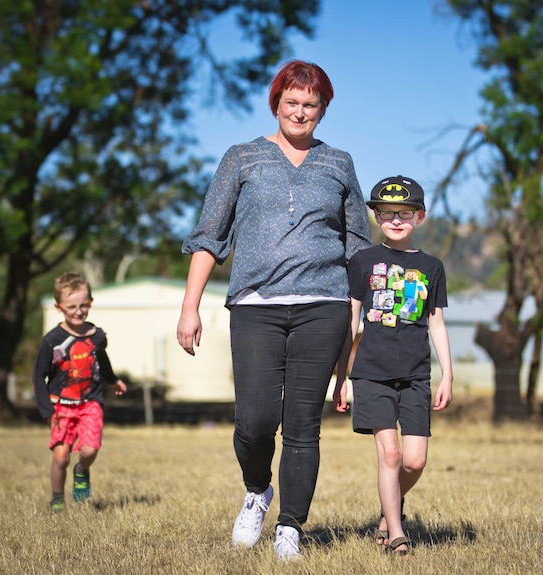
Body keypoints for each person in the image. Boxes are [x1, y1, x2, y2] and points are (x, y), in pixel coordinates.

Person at [176, 60, 371, 561]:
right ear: (276, 103)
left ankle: (291, 527)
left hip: (323, 305)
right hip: (255, 304)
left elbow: (357, 247)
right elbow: (208, 236)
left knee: (304, 424)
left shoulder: (339, 164)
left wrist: (355, 317)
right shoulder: (241, 158)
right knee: (256, 422)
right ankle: (257, 489)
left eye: (311, 104)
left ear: (322, 109)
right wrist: (189, 307)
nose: (300, 111)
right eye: (292, 101)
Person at [333, 175, 454, 558]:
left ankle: (389, 511)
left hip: (417, 375)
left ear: (419, 216)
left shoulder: (432, 267)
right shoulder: (363, 261)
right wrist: (341, 377)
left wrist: (447, 374)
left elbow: (436, 321)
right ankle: (397, 533)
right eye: (386, 214)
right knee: (390, 455)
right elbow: (351, 321)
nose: (396, 220)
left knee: (414, 460)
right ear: (376, 216)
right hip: (371, 373)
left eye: (404, 213)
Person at [32, 271, 127, 513]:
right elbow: (38, 377)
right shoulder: (52, 340)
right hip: (60, 405)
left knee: (89, 449)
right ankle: (56, 500)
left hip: (90, 402)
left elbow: (102, 361)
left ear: (91, 303)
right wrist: (46, 410)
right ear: (59, 307)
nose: (78, 311)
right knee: (61, 457)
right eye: (71, 306)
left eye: (83, 305)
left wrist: (113, 379)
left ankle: (82, 471)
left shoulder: (97, 336)